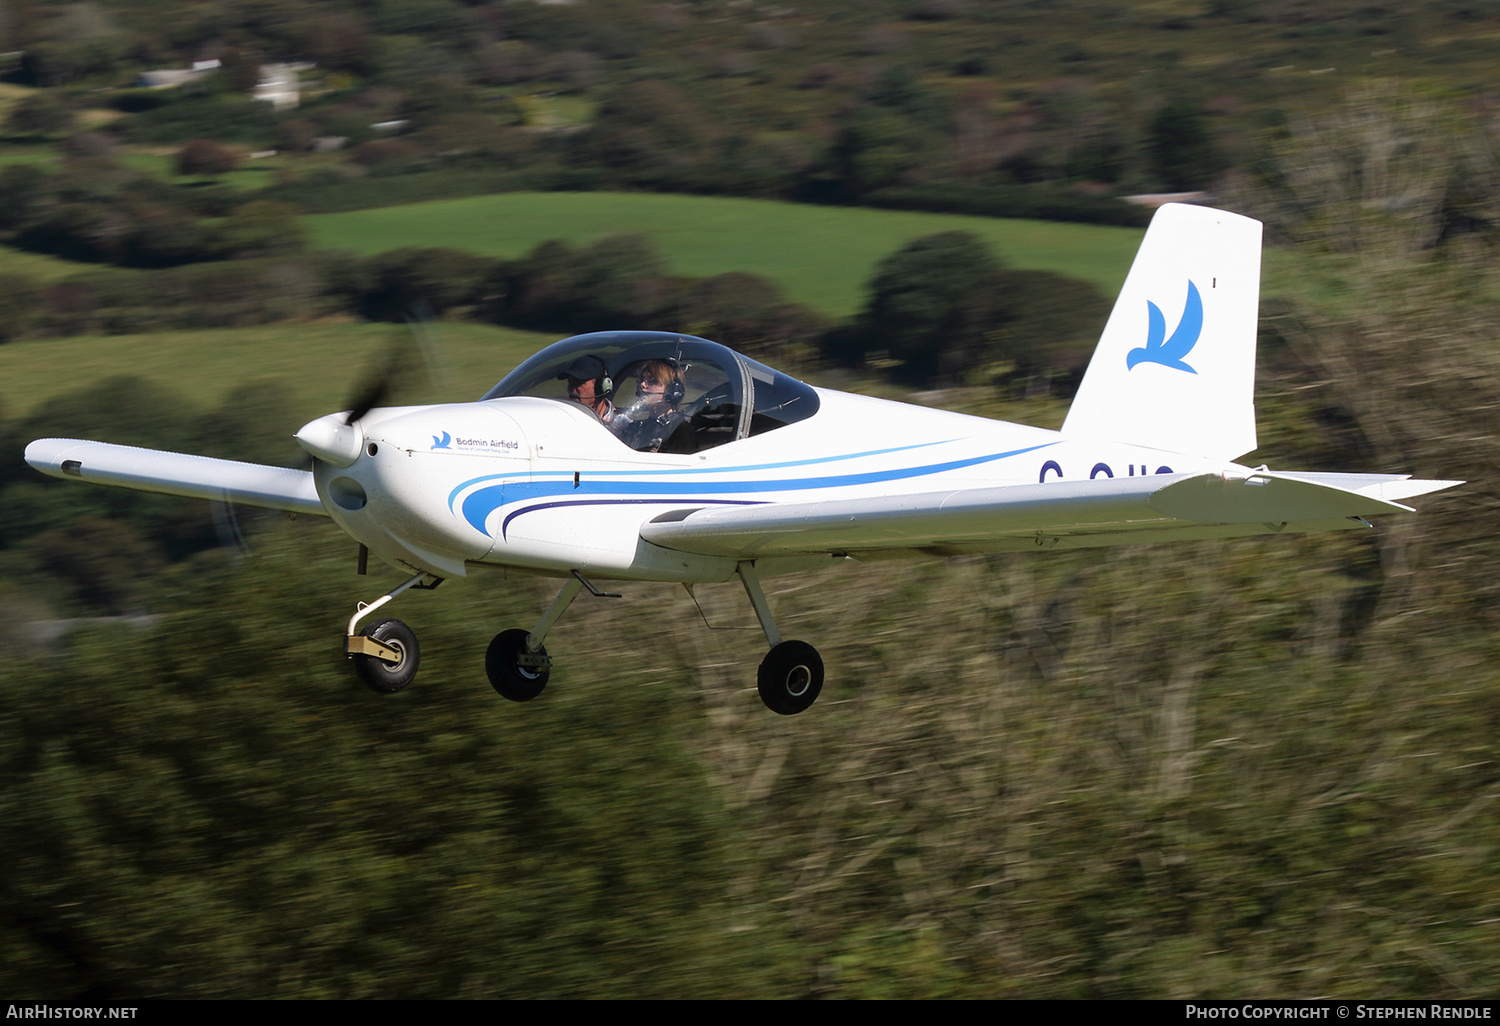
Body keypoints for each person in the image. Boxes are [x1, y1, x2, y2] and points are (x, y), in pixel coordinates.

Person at [616, 358, 691, 452]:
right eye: (643, 379)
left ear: (673, 390)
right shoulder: (638, 427)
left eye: (652, 380)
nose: (643, 384)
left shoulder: (680, 431)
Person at [557, 354, 617, 426]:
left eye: (579, 382)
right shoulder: (562, 419)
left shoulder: (621, 425)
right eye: (570, 382)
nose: (572, 387)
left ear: (600, 388)